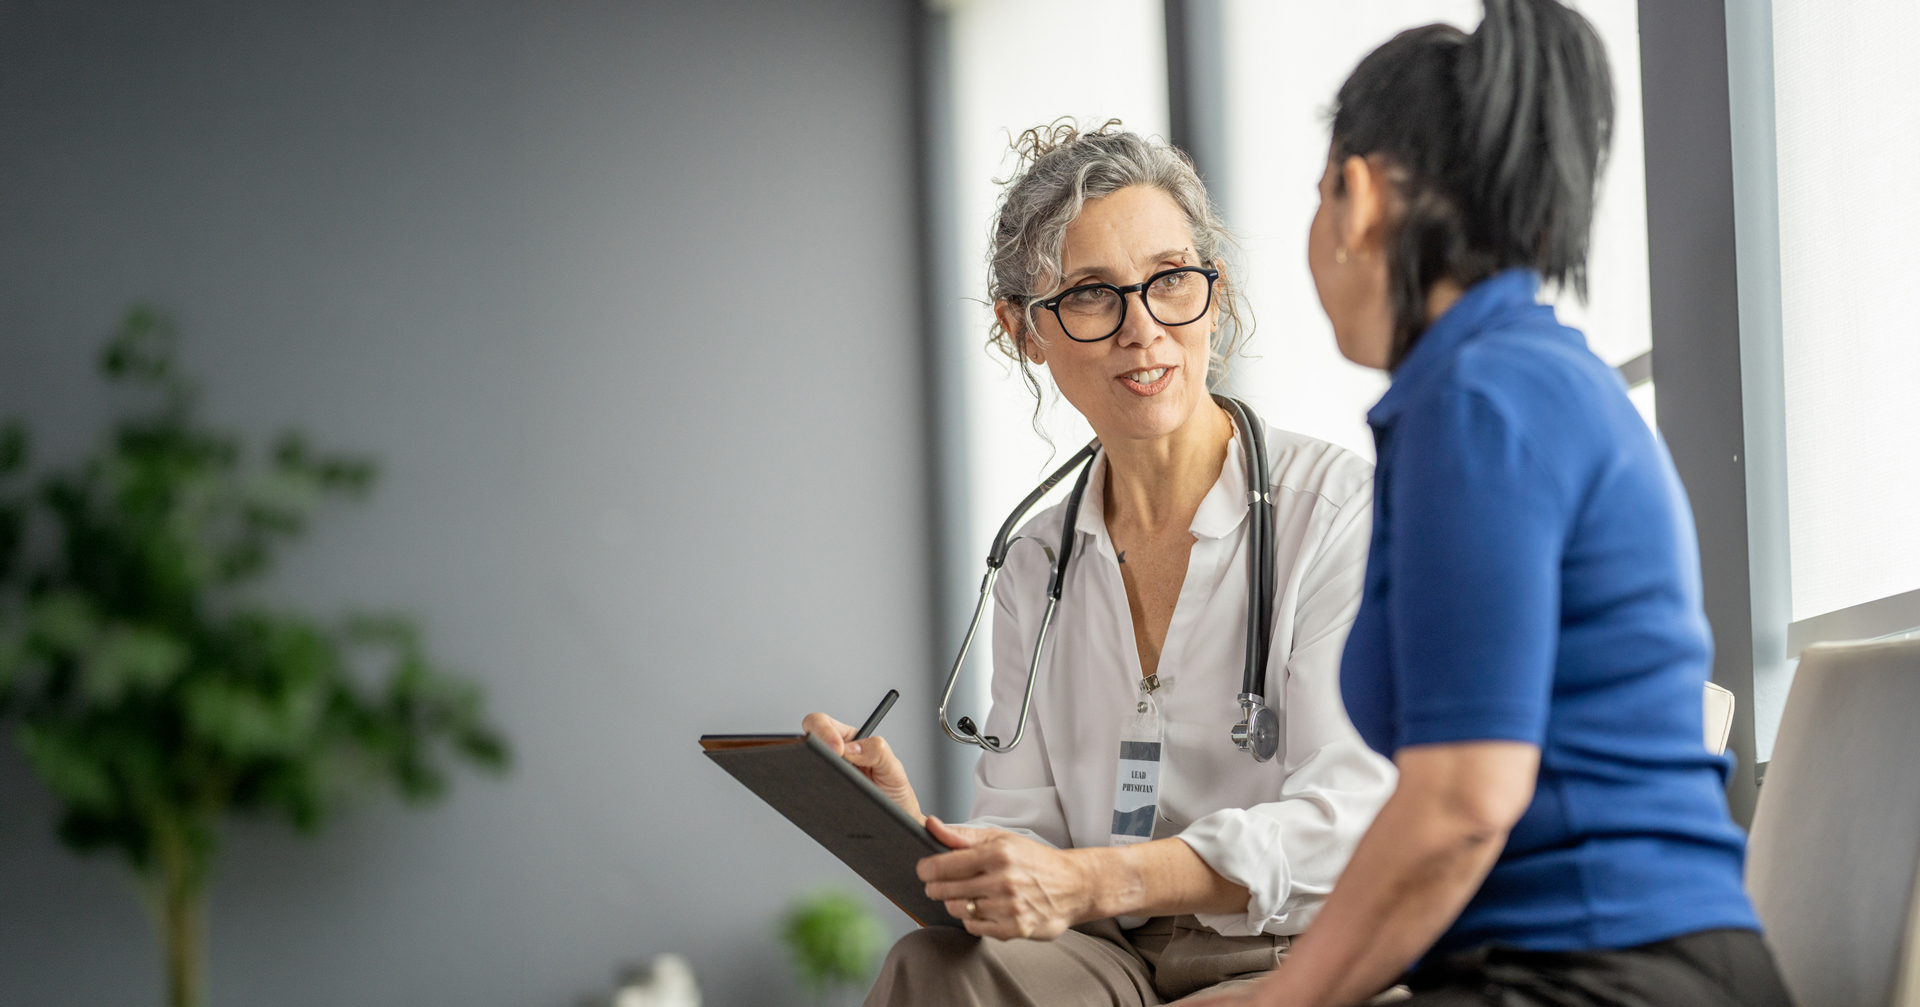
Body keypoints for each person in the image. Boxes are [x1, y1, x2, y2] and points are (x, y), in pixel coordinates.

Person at [1191, 3, 1794, 1006]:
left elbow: (1464, 801)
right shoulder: (1516, 377)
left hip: (1609, 974)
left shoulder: (1479, 400)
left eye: (1316, 196)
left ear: (1356, 195)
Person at [801, 123, 1396, 1006]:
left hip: (1291, 949)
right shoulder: (1036, 560)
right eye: (1090, 294)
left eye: (1170, 279)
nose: (1143, 328)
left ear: (1215, 292)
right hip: (1110, 954)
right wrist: (913, 833)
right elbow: (1030, 836)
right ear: (1023, 328)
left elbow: (1346, 824)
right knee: (934, 968)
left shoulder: (1337, 512)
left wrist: (1097, 880)